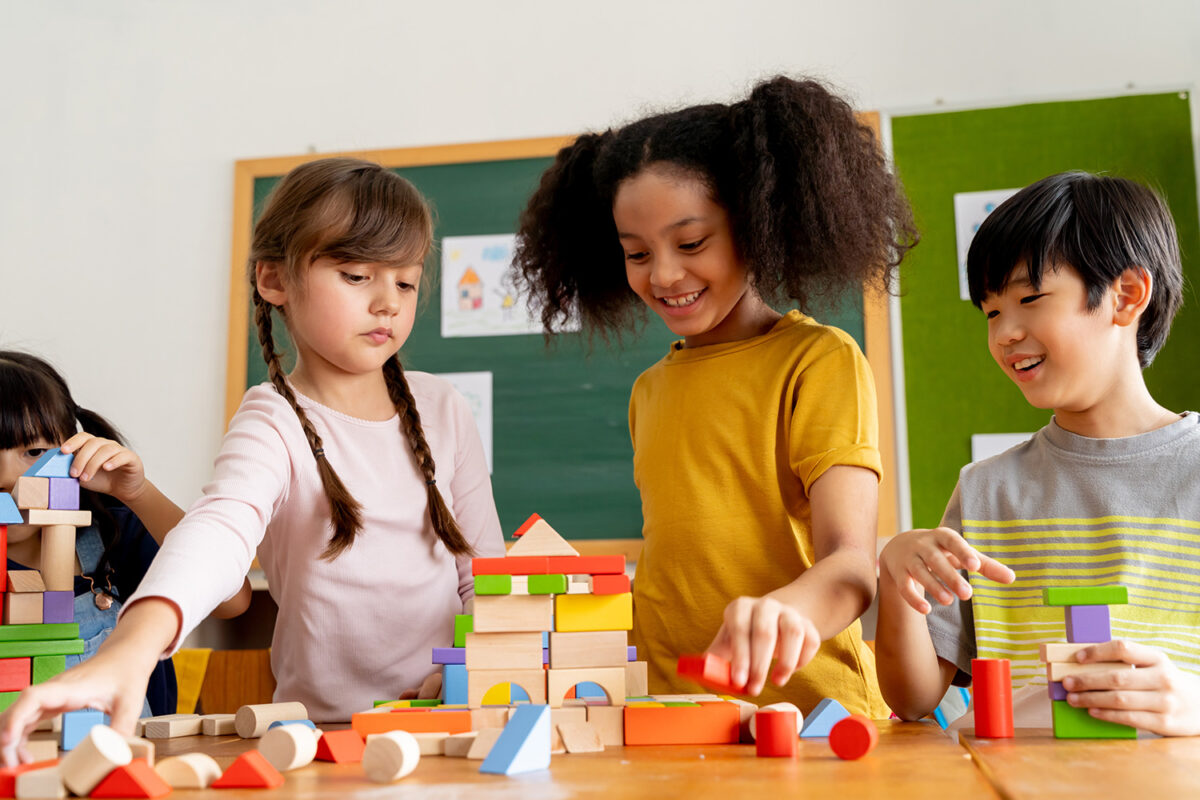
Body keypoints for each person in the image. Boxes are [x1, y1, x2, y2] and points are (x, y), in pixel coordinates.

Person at [0, 158, 505, 760]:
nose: (387, 303)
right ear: (274, 280)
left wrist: (475, 669)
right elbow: (219, 533)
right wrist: (131, 647)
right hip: (322, 738)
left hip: (454, 719)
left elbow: (486, 576)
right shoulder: (273, 418)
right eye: (355, 275)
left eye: (405, 281)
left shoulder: (444, 407)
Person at [513, 76, 917, 715]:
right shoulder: (649, 390)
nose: (664, 274)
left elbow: (851, 566)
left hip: (809, 713)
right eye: (636, 252)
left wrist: (787, 609)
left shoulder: (818, 360)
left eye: (692, 242)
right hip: (671, 712)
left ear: (756, 224)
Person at [875, 171, 1200, 736]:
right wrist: (895, 577)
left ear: (1126, 296)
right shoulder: (987, 490)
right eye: (992, 311)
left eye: (1029, 299)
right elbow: (914, 699)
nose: (1004, 333)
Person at [0, 350, 252, 718]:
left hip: (126, 757)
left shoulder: (115, 534)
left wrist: (136, 493)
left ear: (72, 449)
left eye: (35, 451)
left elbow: (233, 600)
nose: (8, 480)